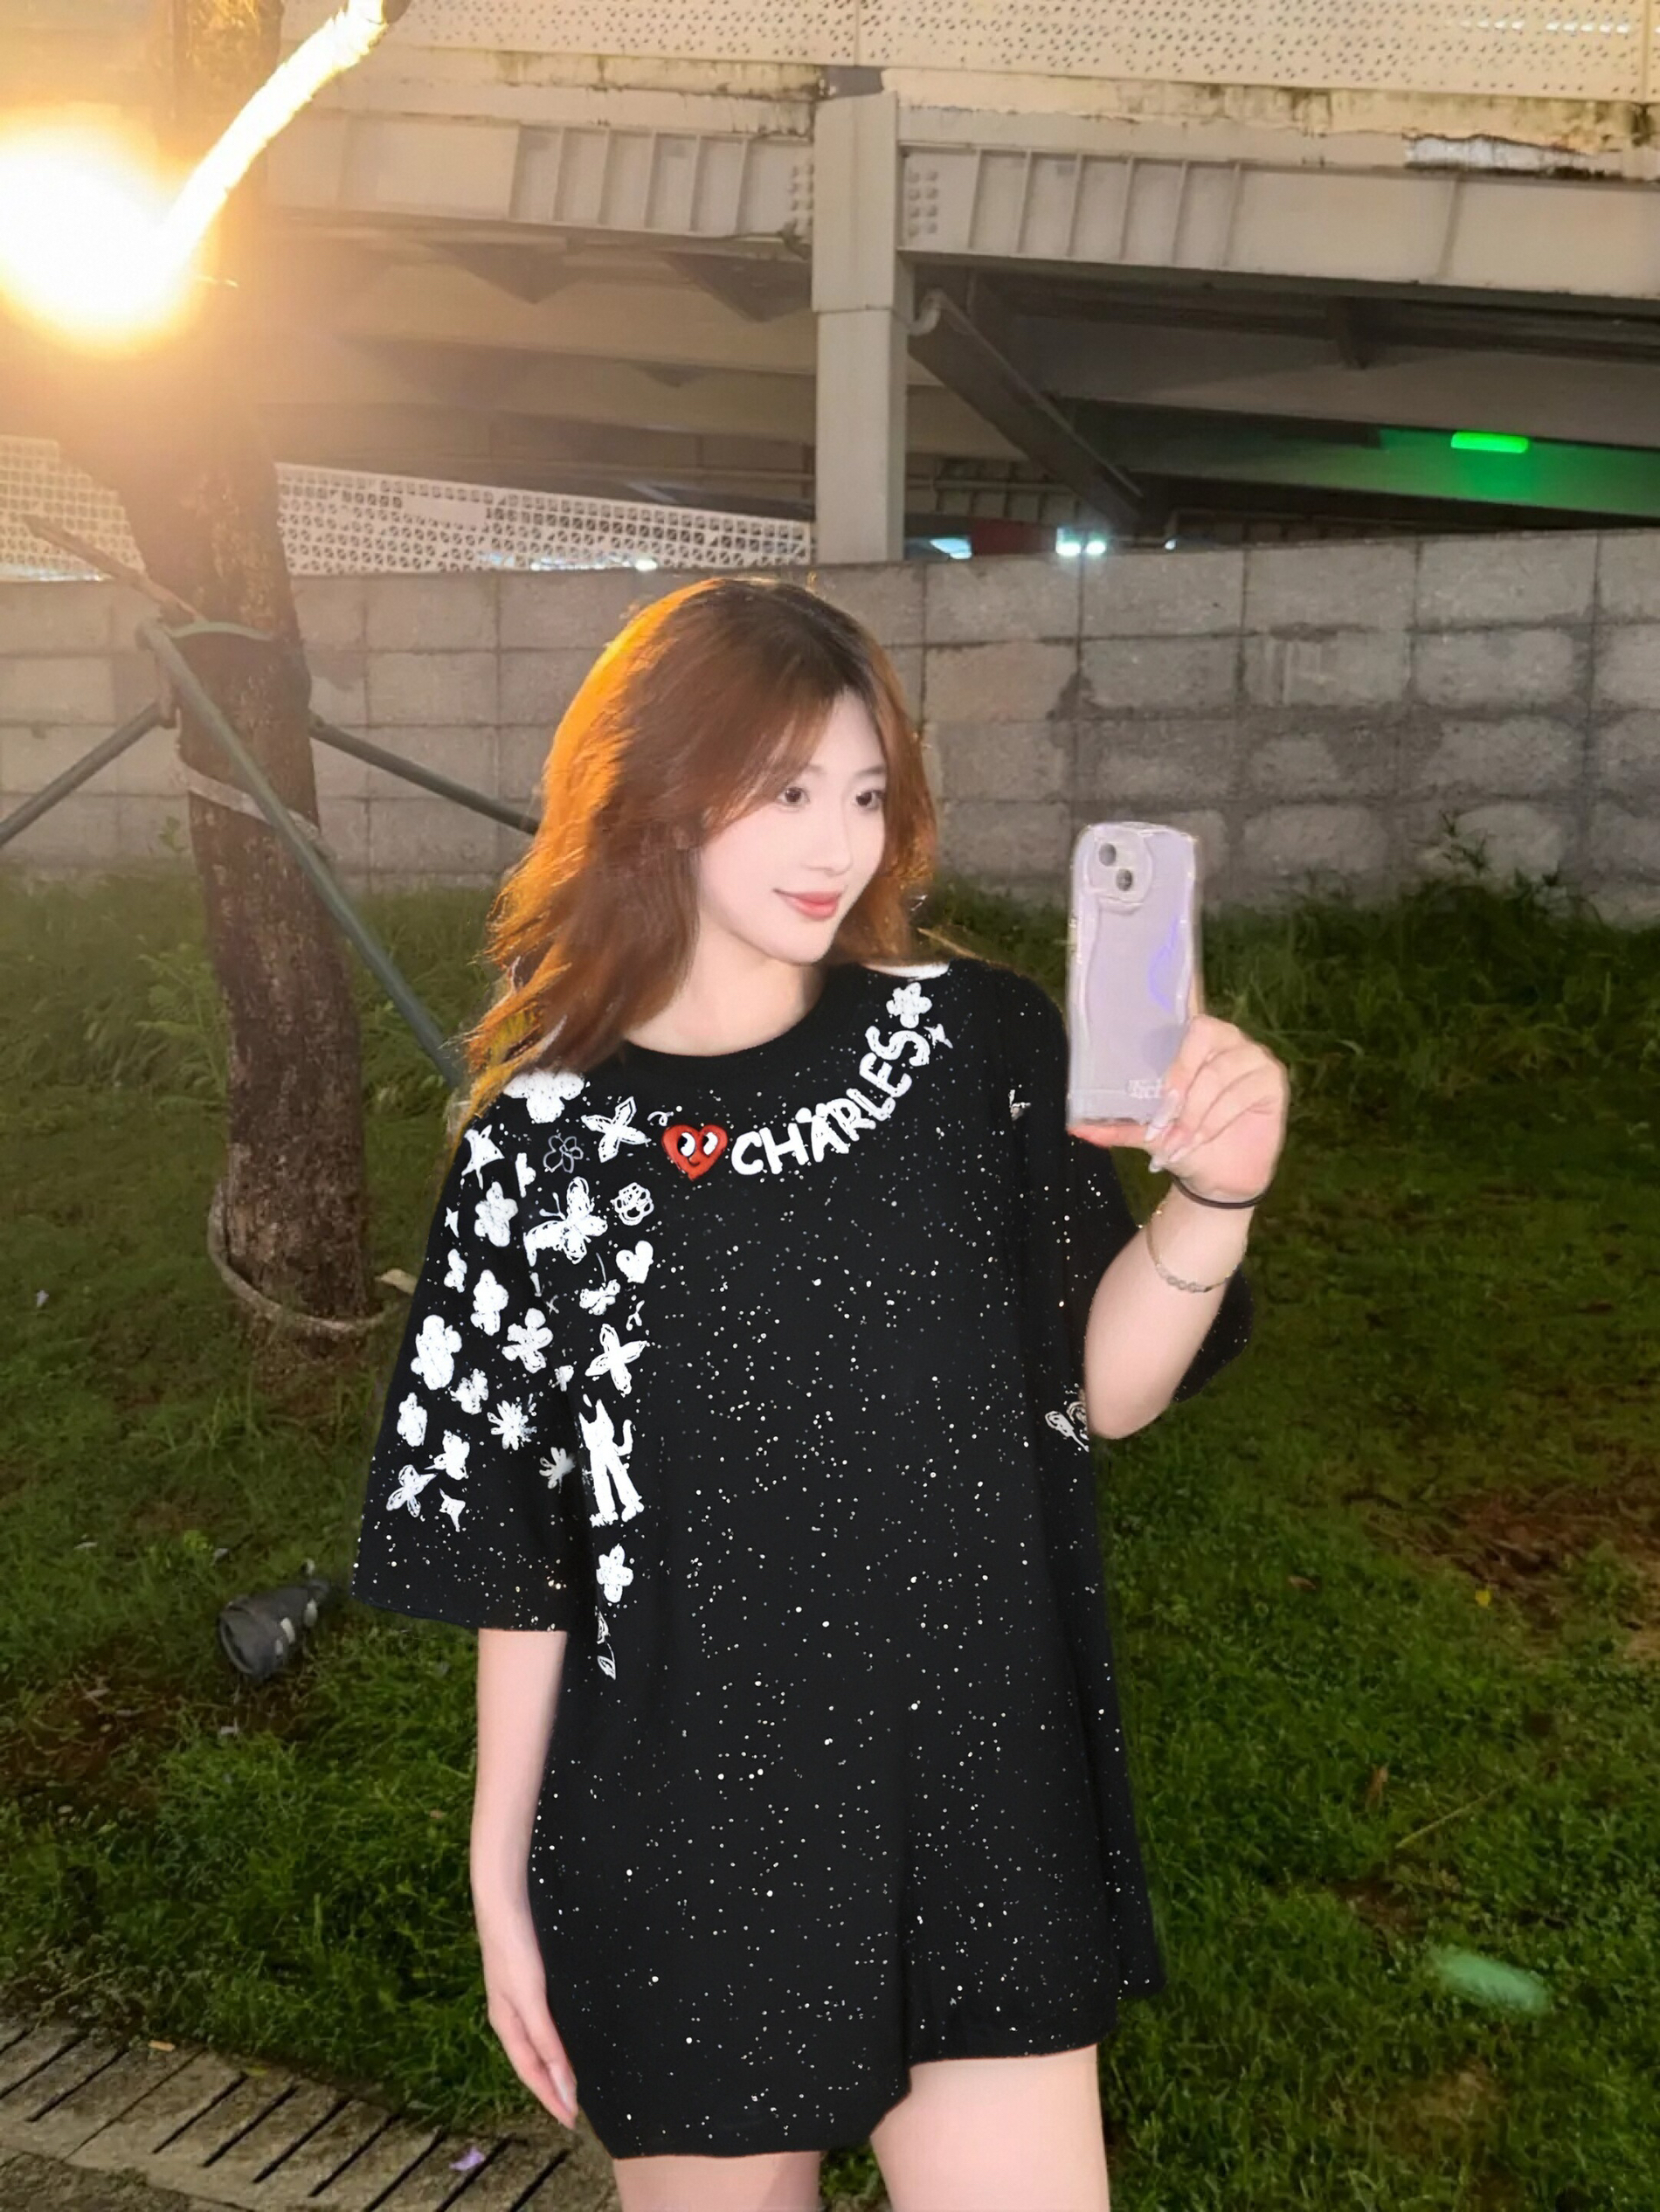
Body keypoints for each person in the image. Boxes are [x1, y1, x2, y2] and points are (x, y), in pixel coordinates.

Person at [349, 574, 1289, 2212]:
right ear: (653, 793)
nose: (837, 843)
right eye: (785, 791)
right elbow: (529, 1557)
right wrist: (501, 1876)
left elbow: (1107, 1392)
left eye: (864, 794)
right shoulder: (539, 1148)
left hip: (974, 1802)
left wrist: (1216, 1199)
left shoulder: (976, 1047)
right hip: (682, 1837)